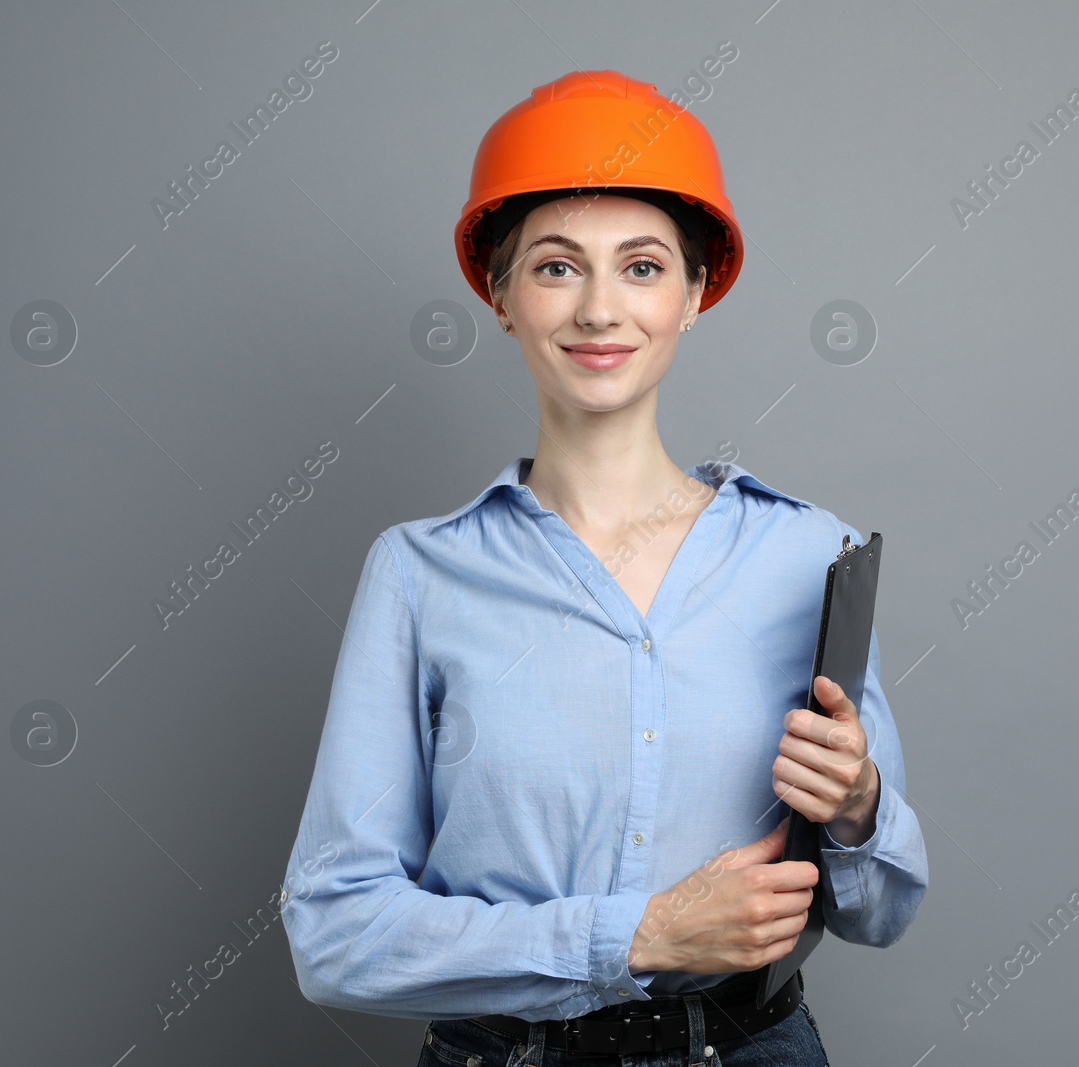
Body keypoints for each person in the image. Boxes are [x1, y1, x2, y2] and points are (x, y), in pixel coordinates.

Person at [281, 69, 929, 1067]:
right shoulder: (420, 574)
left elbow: (880, 910)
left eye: (639, 266)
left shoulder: (806, 553)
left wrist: (856, 809)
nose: (597, 308)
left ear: (694, 292)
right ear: (497, 296)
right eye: (552, 267)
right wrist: (635, 937)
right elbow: (333, 932)